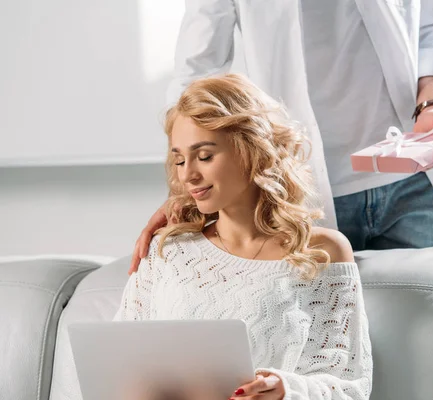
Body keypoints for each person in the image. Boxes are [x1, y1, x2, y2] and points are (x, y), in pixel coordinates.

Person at [129, 0, 433, 274]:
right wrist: (182, 189)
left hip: (412, 180)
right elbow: (196, 74)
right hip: (305, 193)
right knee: (329, 335)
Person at [114, 74, 372, 400]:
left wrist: (285, 390)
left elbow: (350, 386)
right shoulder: (169, 251)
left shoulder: (322, 250)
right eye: (179, 159)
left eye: (204, 156)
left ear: (250, 149)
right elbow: (118, 366)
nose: (187, 174)